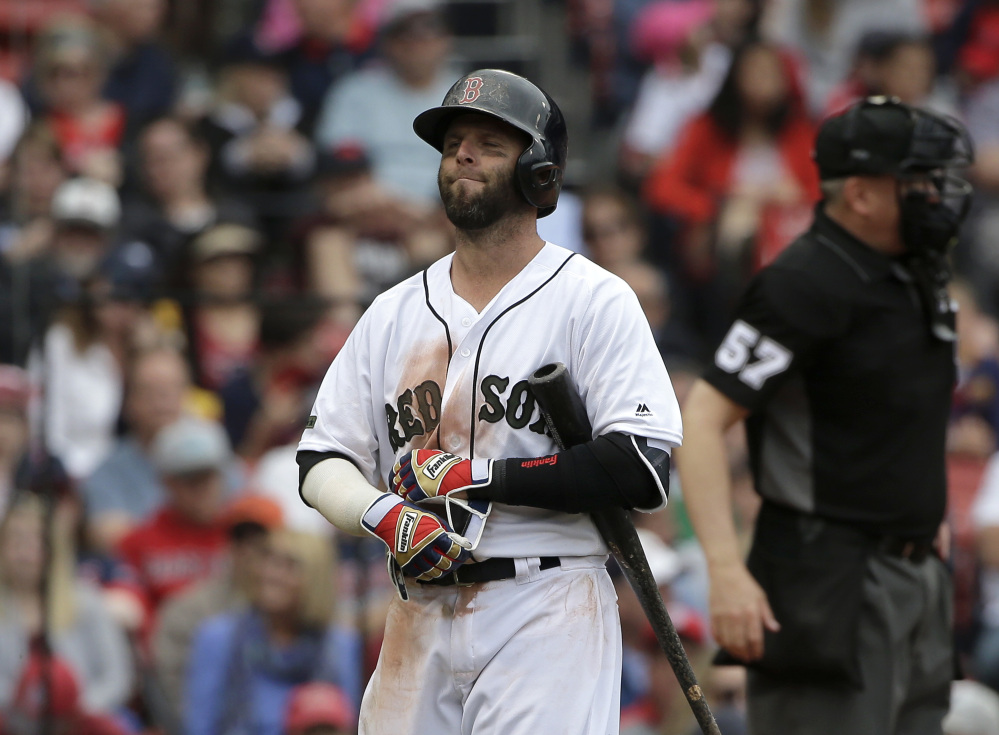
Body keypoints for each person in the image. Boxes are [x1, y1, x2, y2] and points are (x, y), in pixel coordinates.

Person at [296, 68, 682, 734]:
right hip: (417, 605)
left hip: (547, 601)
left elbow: (639, 468)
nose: (462, 154)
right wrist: (384, 514)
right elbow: (320, 458)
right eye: (452, 144)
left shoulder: (591, 298)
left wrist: (483, 480)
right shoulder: (392, 312)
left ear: (539, 172)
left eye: (488, 143)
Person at [675, 96, 974, 734]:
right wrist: (726, 569)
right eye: (919, 180)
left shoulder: (915, 272)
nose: (938, 195)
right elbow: (701, 421)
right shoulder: (802, 282)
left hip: (917, 573)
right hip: (829, 583)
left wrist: (924, 512)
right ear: (862, 195)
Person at [185, 529, 361, 735]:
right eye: (268, 561)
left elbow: (349, 726)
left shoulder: (340, 645)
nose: (271, 574)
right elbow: (199, 727)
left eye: (289, 566)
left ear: (316, 578)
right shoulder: (218, 638)